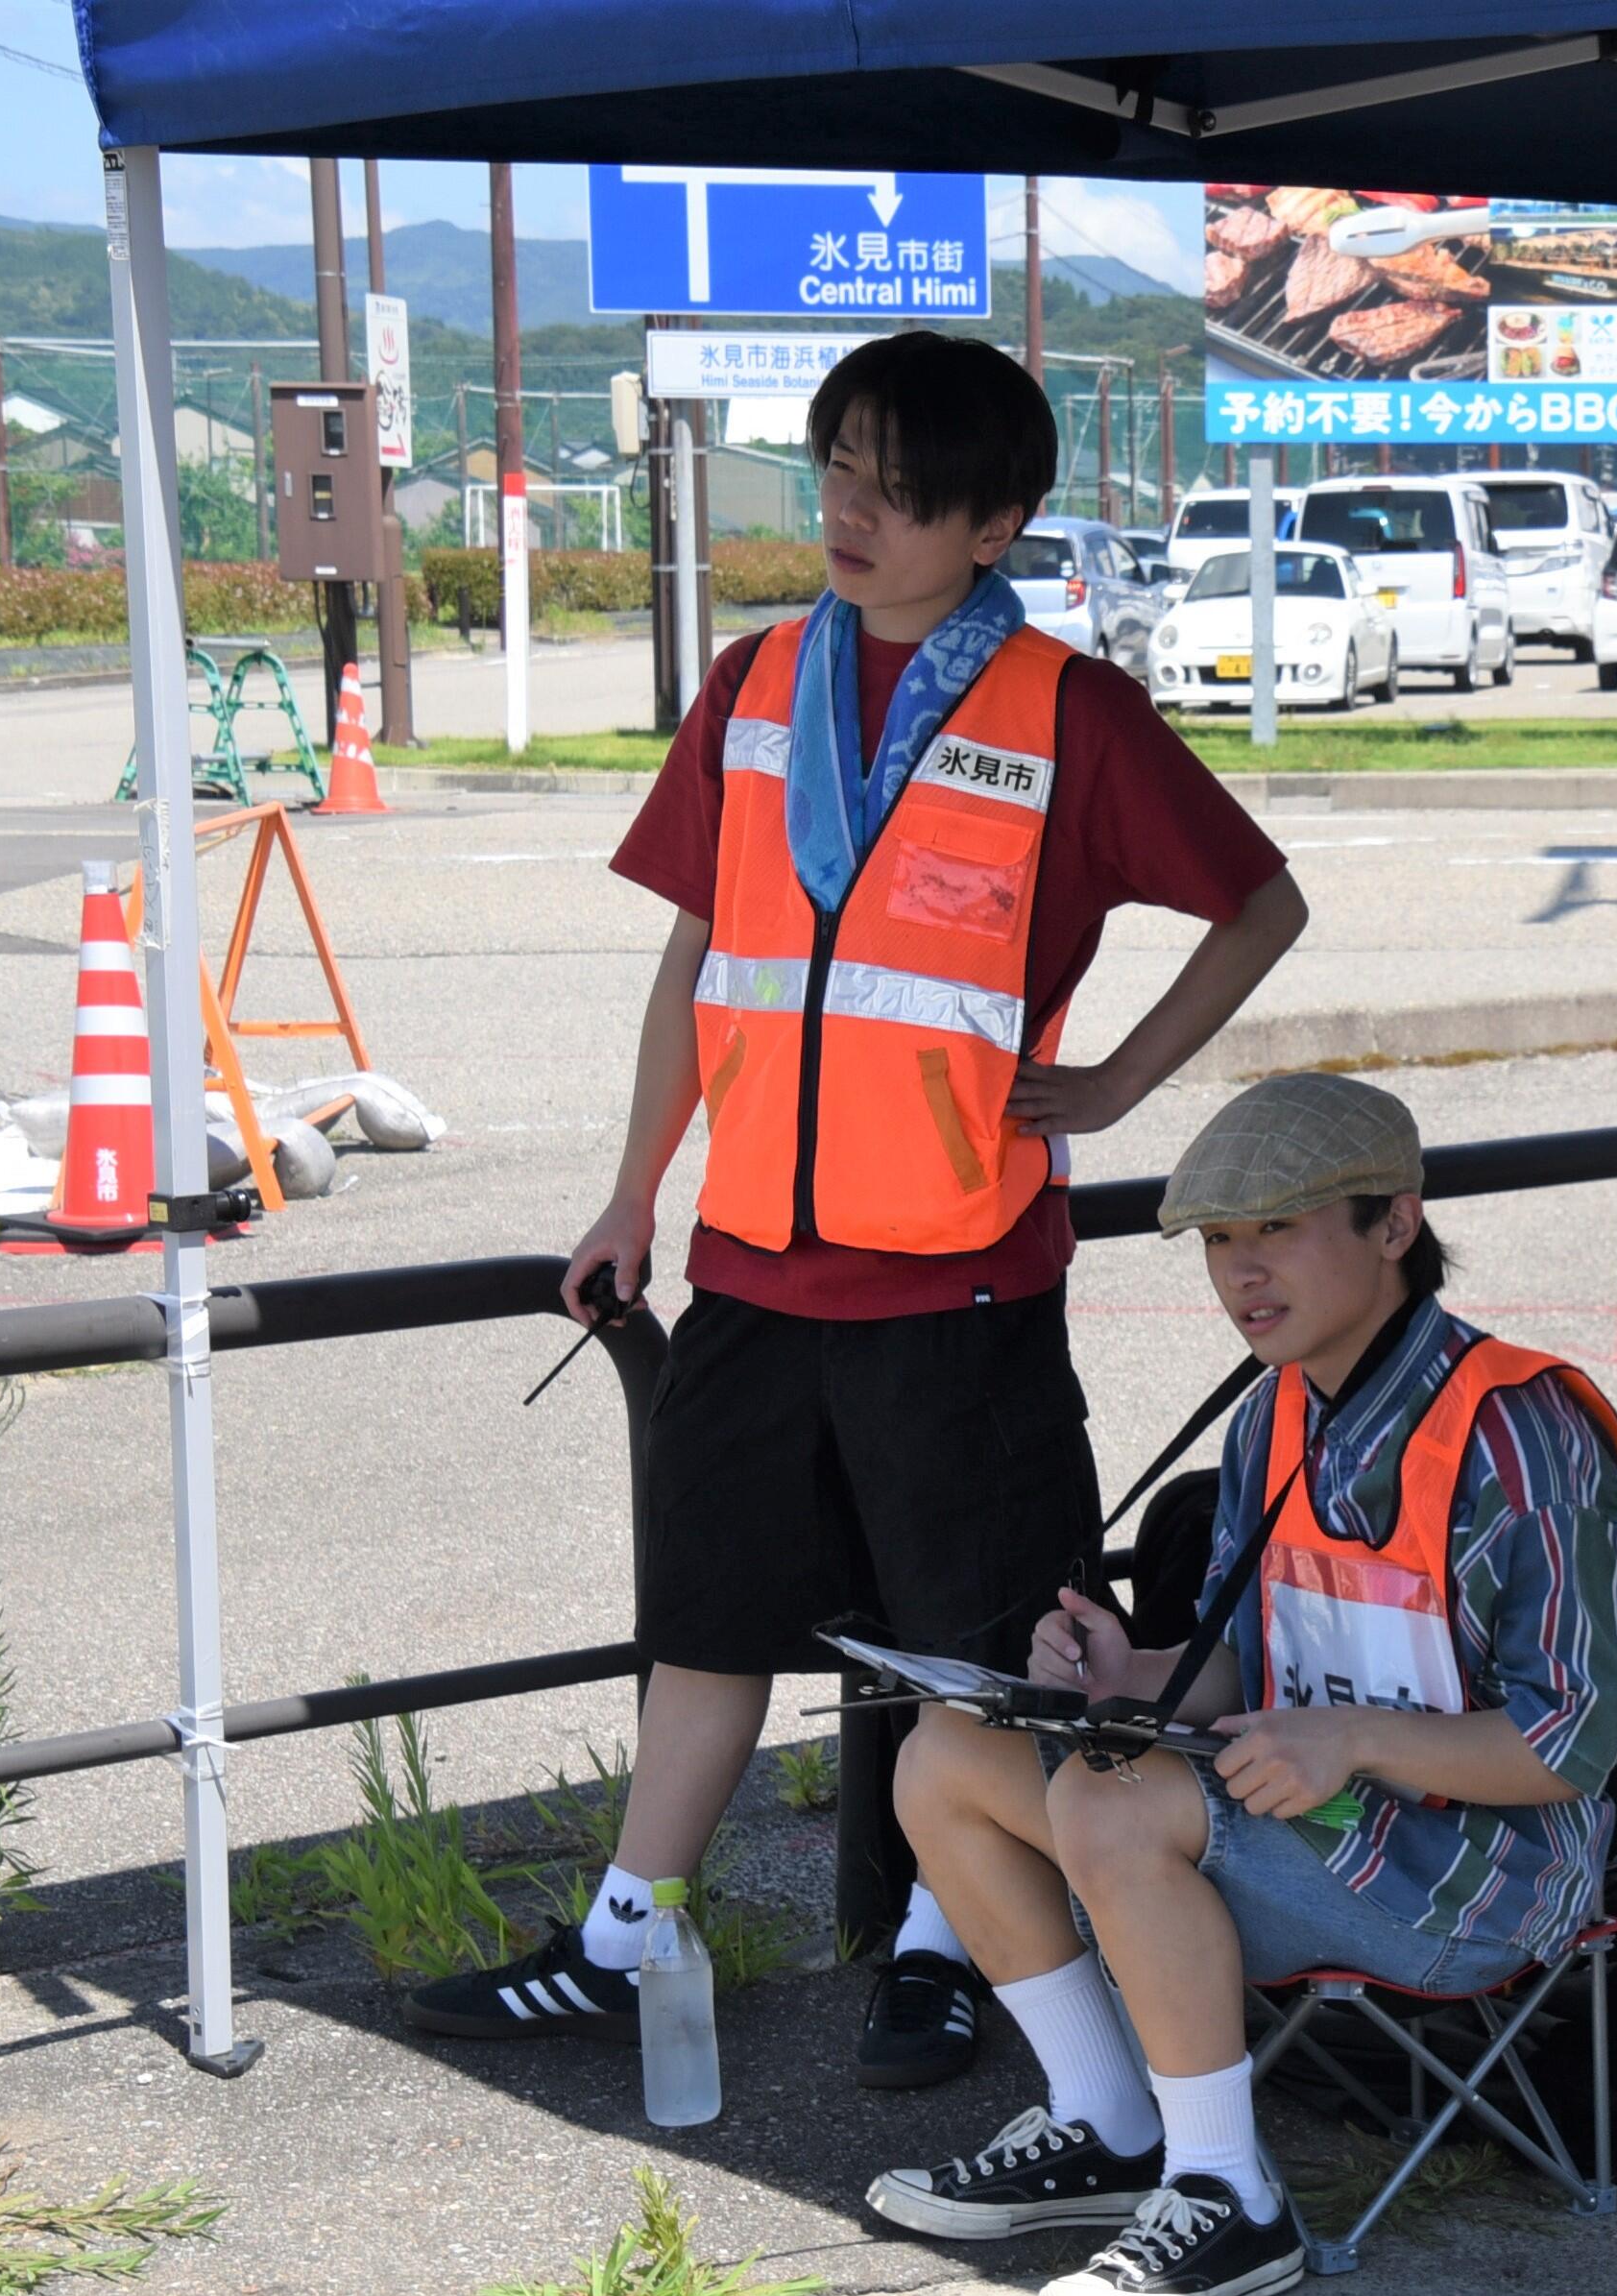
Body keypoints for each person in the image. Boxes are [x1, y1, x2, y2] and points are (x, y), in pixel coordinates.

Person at [399, 332, 1308, 2085]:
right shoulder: (752, 683)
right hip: (752, 1260)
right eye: (834, 473)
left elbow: (1260, 906)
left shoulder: (1072, 709)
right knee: (709, 1617)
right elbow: (699, 959)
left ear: (1000, 523)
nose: (848, 513)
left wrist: (1116, 1085)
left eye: (894, 490)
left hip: (959, 1271)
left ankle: (940, 1947)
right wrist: (632, 1190)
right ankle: (624, 1936)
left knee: (976, 1641)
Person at [868, 1073, 1617, 2296]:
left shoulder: (1523, 1428)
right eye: (1221, 1245)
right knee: (947, 1754)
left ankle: (1230, 2197)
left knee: (1112, 1805)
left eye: (1277, 1231)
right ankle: (1111, 2122)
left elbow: (1575, 1740)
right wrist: (1124, 1674)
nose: (1242, 1276)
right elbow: (1249, 1661)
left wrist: (1350, 1739)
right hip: (1318, 1816)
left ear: (1395, 1225)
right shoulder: (1276, 1412)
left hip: (1491, 1873)